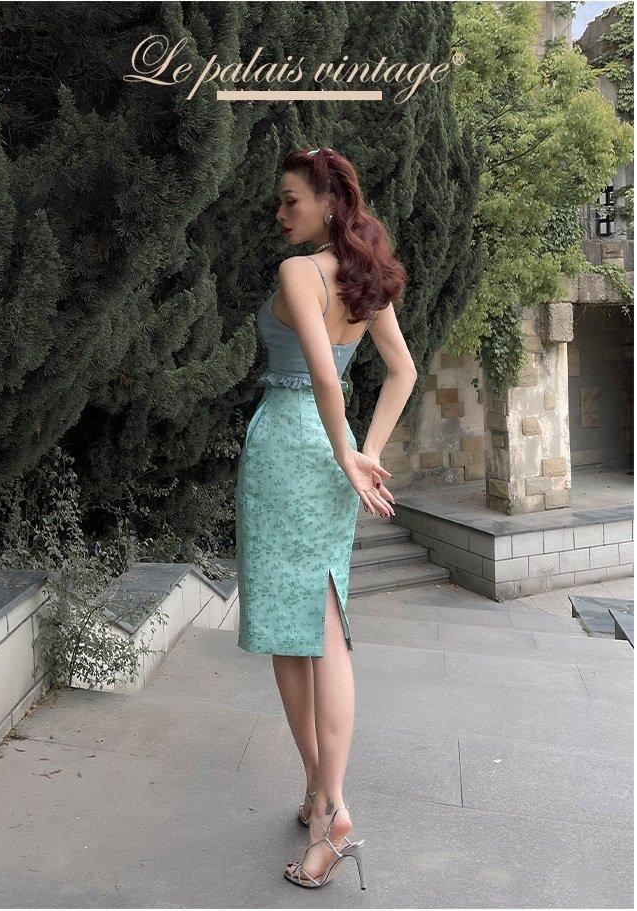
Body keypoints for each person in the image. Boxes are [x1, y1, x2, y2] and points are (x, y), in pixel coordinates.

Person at [235, 147, 417, 889]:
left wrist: (348, 455)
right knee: (326, 626)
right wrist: (364, 452)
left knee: (294, 633)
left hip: (290, 447)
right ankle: (322, 798)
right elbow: (402, 371)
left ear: (328, 204)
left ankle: (330, 804)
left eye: (290, 200)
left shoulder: (297, 272)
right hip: (334, 454)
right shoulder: (360, 279)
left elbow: (318, 376)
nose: (280, 213)